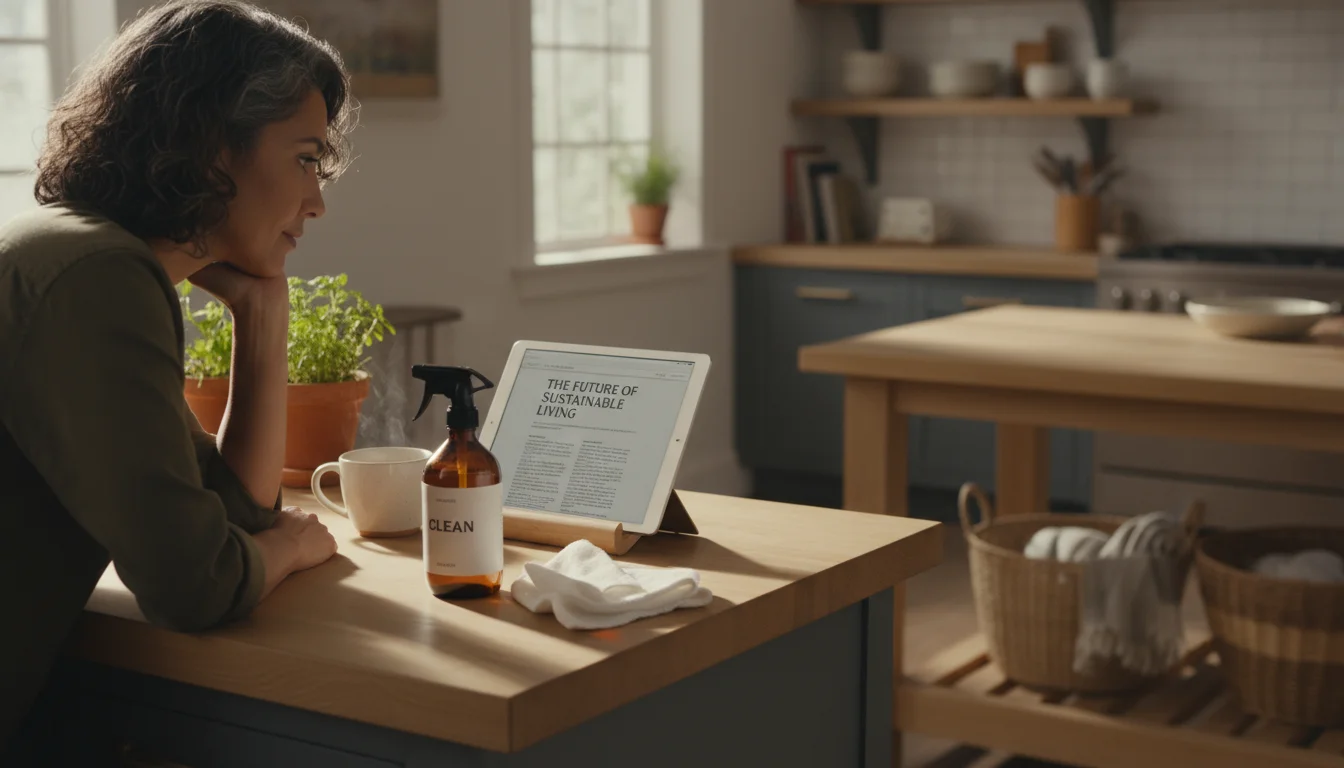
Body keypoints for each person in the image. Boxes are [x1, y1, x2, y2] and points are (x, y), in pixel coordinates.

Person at [0, 0, 354, 754]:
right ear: (211, 144)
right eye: (304, 158)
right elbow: (195, 585)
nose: (318, 200)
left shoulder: (64, 248)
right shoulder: (97, 278)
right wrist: (293, 549)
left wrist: (263, 317)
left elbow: (234, 515)